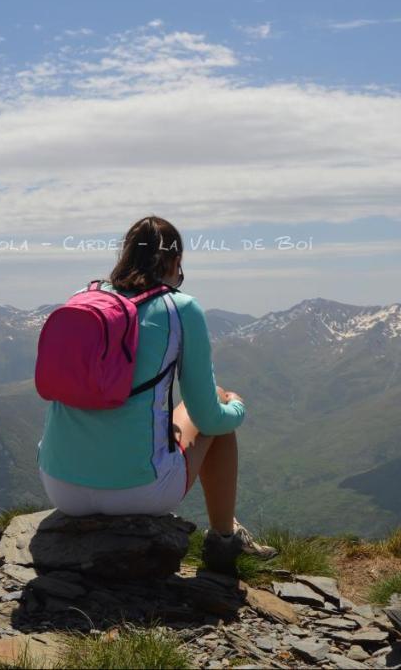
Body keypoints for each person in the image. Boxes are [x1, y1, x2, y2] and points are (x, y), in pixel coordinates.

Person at [36, 215, 276, 575]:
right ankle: (224, 541)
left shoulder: (83, 299)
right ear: (174, 262)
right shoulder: (180, 308)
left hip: (60, 485)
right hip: (137, 491)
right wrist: (238, 408)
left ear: (126, 254)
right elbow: (208, 417)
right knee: (219, 398)